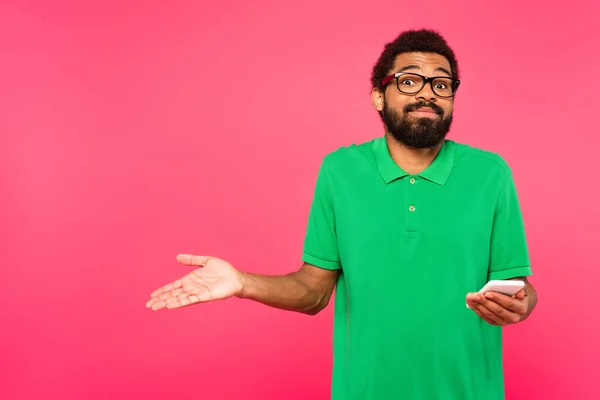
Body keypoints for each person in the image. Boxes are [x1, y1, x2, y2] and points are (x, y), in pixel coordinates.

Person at [146, 29, 538, 400]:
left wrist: (522, 302)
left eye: (441, 84)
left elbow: (517, 286)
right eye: (409, 81)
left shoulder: (491, 173)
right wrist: (241, 282)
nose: (427, 94)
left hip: (469, 391)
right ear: (378, 97)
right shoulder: (340, 171)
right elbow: (313, 291)